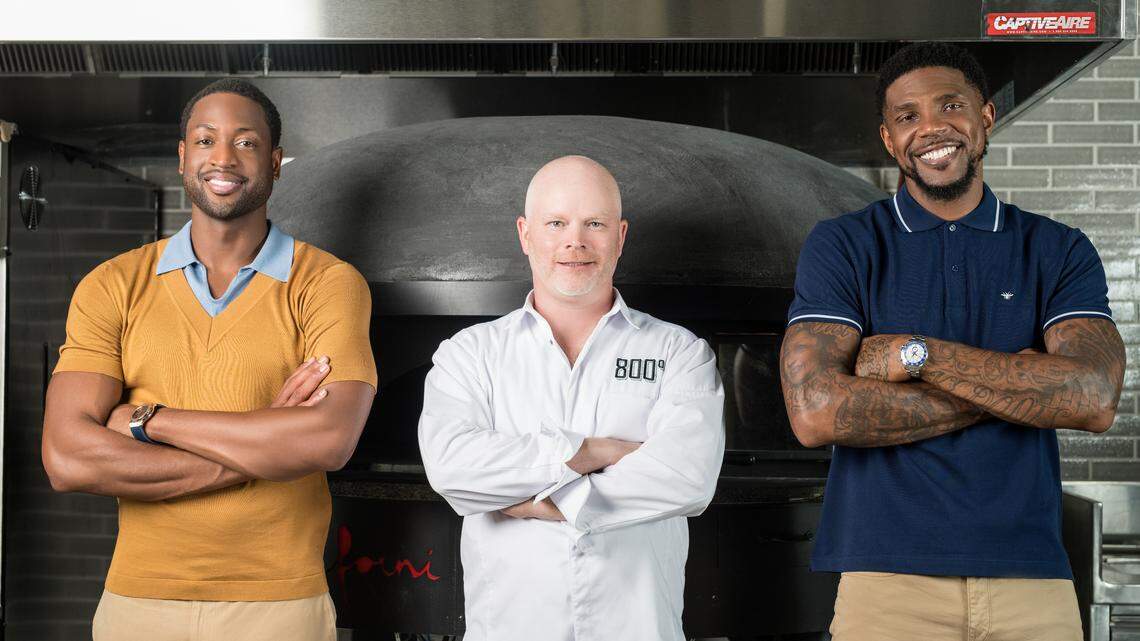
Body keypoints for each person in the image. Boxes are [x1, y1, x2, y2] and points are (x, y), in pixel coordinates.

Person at [779, 42, 1126, 641]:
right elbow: (815, 411)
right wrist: (1017, 386)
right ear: (888, 140)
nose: (932, 128)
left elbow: (1091, 397)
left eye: (950, 106)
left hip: (1030, 580)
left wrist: (920, 355)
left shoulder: (1057, 249)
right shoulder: (843, 246)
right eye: (907, 116)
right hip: (885, 580)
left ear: (984, 117)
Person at [41, 78, 377, 641]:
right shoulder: (112, 285)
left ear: (274, 162)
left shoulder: (327, 284)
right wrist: (268, 437)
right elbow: (68, 459)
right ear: (182, 157)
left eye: (245, 142)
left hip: (279, 604)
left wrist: (149, 421)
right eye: (205, 139)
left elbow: (327, 441)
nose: (223, 157)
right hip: (136, 602)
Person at [417, 155, 725, 640]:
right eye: (556, 222)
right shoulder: (469, 354)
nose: (574, 241)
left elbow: (687, 478)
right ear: (525, 234)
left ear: (621, 236)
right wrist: (589, 453)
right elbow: (453, 468)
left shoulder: (679, 352)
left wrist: (546, 501)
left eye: (594, 223)